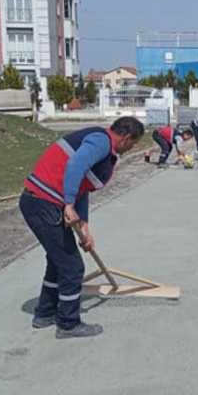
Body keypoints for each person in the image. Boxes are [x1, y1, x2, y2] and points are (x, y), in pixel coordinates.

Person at [19, 117, 145, 338]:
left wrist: (84, 225)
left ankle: (45, 313)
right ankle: (68, 324)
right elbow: (75, 165)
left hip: (45, 203)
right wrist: (68, 204)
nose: (131, 148)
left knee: (57, 261)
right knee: (73, 267)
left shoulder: (103, 147)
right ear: (125, 138)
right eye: (133, 144)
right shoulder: (101, 141)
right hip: (43, 203)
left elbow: (82, 187)